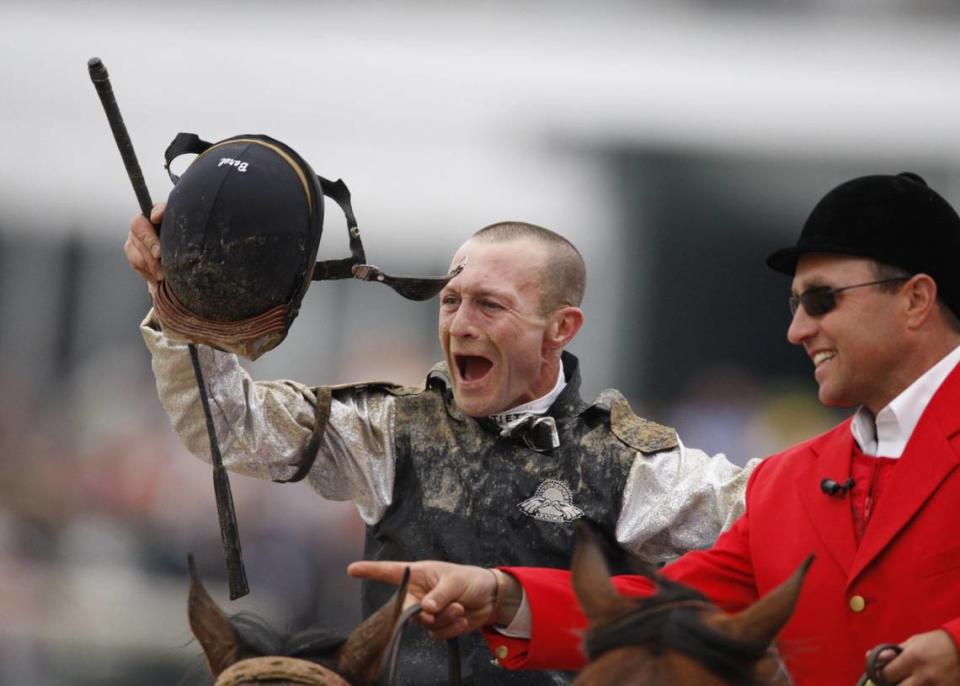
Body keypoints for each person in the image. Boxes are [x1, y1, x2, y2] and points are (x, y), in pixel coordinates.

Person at [349, 172, 960, 685]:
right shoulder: (787, 482)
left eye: (822, 300)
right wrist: (502, 594)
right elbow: (662, 614)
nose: (798, 330)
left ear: (915, 300)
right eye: (794, 305)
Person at [125, 210, 753, 685]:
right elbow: (229, 424)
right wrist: (184, 295)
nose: (460, 323)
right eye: (451, 301)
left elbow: (780, 512)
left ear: (561, 328)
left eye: (489, 305)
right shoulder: (390, 428)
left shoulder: (633, 465)